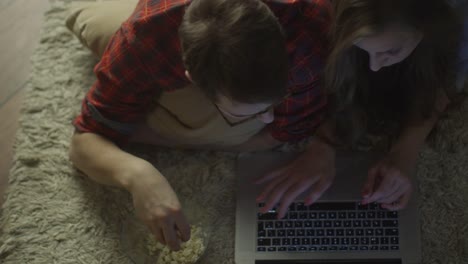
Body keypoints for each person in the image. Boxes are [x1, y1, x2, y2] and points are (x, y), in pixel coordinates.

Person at [68, 0, 333, 251]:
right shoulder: (146, 40)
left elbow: (283, 132)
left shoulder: (310, 25)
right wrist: (138, 176)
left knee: (219, 128)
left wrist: (323, 145)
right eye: (256, 111)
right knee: (99, 27)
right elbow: (85, 139)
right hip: (154, 28)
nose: (268, 120)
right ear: (191, 77)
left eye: (277, 100)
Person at [324, 0, 464, 211]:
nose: (374, 66)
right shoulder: (325, 14)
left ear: (426, 26)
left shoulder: (456, 29)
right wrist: (321, 143)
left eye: (391, 51)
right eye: (363, 50)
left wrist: (405, 153)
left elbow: (440, 85)